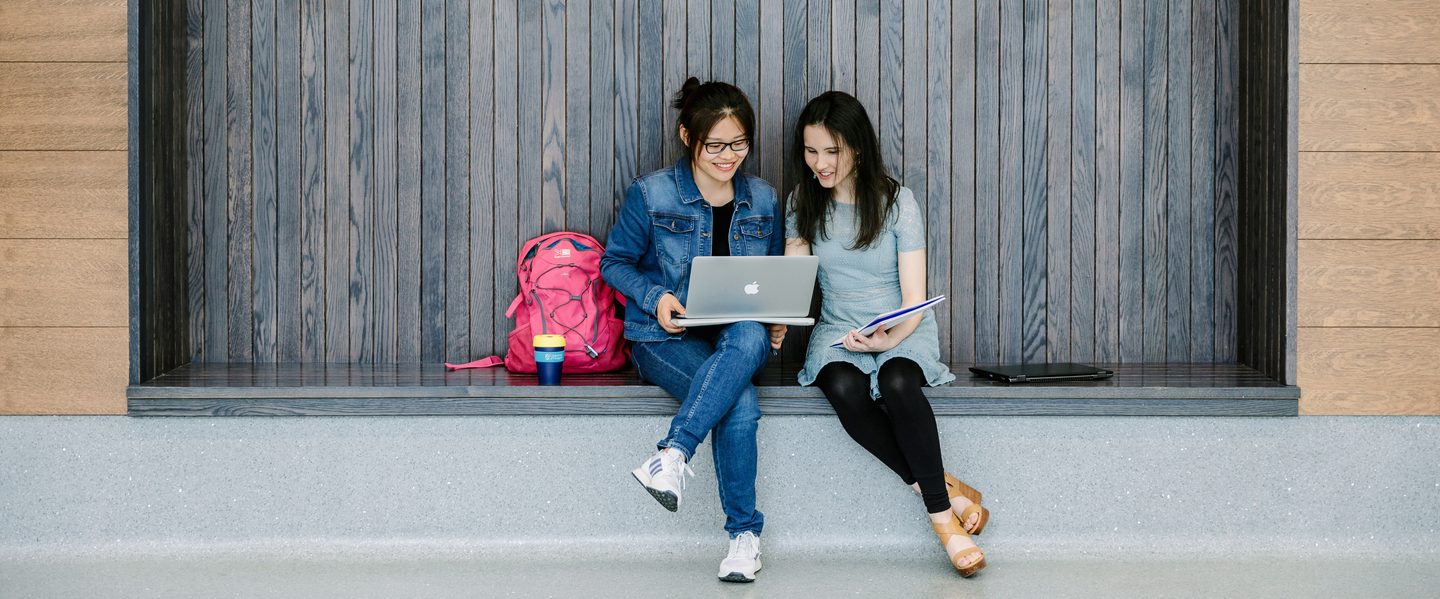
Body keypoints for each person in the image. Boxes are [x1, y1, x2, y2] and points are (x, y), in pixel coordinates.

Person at [783, 90, 988, 577]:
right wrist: (778, 316)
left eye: (831, 151)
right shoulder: (802, 200)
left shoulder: (898, 202)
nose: (820, 163)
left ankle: (942, 523)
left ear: (857, 147)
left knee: (898, 382)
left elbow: (914, 295)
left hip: (903, 324)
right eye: (811, 151)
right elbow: (795, 276)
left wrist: (889, 339)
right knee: (844, 388)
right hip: (839, 326)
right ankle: (944, 489)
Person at [599, 77, 786, 583]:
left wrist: (776, 317)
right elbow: (614, 264)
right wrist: (655, 297)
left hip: (738, 341)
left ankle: (672, 454)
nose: (729, 156)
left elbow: (770, 277)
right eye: (716, 145)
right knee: (740, 403)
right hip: (663, 337)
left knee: (747, 335)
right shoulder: (652, 193)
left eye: (740, 143)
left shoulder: (763, 199)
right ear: (688, 137)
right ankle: (744, 537)